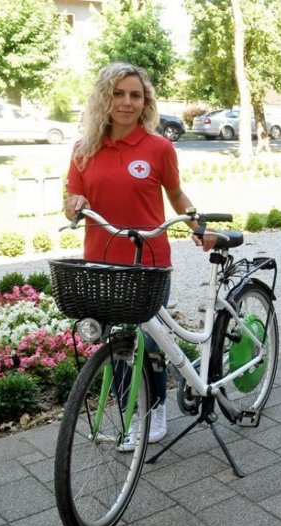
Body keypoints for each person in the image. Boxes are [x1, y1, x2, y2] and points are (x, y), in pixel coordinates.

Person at [64, 62, 214, 450]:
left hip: (149, 262)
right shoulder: (84, 150)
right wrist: (74, 202)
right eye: (118, 93)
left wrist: (197, 226)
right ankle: (132, 415)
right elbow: (71, 201)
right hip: (102, 263)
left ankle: (157, 410)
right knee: (114, 345)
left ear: (144, 101)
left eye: (135, 95)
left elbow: (176, 195)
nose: (127, 102)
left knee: (149, 343)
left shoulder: (158, 148)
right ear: (104, 98)